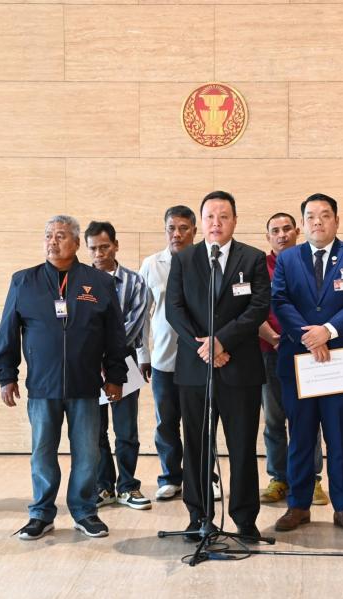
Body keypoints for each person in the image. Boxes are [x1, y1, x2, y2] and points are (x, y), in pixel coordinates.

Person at [0, 215, 128, 540]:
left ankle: (84, 512)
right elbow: (7, 331)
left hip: (86, 385)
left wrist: (116, 375)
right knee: (42, 453)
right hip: (43, 386)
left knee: (88, 454)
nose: (53, 241)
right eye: (48, 236)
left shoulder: (99, 283)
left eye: (62, 235)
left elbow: (115, 335)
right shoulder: (24, 281)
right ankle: (41, 513)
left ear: (77, 243)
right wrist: (6, 375)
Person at [165, 191, 270, 542]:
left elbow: (258, 307)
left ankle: (245, 518)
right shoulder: (184, 259)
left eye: (223, 216)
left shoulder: (252, 258)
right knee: (196, 446)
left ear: (235, 221)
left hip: (241, 369)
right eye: (210, 216)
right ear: (201, 222)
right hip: (196, 370)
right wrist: (206, 348)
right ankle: (198, 515)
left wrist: (222, 341)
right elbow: (174, 310)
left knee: (242, 446)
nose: (216, 223)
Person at [271, 193, 343, 536]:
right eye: (311, 216)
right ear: (303, 224)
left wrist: (327, 331)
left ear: (336, 221)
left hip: (340, 362)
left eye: (325, 215)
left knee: (339, 437)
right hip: (298, 360)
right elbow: (280, 300)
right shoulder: (288, 259)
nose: (318, 221)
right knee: (300, 436)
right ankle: (298, 506)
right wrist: (308, 336)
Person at [258, 212, 329, 506]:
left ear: (297, 231)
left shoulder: (310, 262)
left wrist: (303, 339)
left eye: (287, 229)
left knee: (308, 418)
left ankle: (312, 480)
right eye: (275, 231)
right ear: (268, 237)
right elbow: (252, 308)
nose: (282, 235)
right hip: (269, 351)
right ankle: (279, 478)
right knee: (274, 419)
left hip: (306, 353)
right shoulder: (258, 266)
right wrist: (274, 339)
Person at [85, 221, 151, 510]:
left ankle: (128, 486)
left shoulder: (136, 282)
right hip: (88, 364)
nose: (99, 254)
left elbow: (133, 326)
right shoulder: (80, 281)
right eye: (93, 248)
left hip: (124, 360)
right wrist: (95, 354)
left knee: (126, 430)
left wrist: (106, 353)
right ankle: (104, 486)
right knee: (95, 430)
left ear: (116, 246)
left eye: (104, 247)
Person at [137, 206, 195, 501]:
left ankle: (204, 478)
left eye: (184, 228)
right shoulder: (152, 264)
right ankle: (170, 477)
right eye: (172, 228)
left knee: (200, 423)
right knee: (166, 422)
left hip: (198, 359)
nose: (177, 234)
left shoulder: (204, 262)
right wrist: (143, 355)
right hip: (163, 358)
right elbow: (142, 314)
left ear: (194, 231)